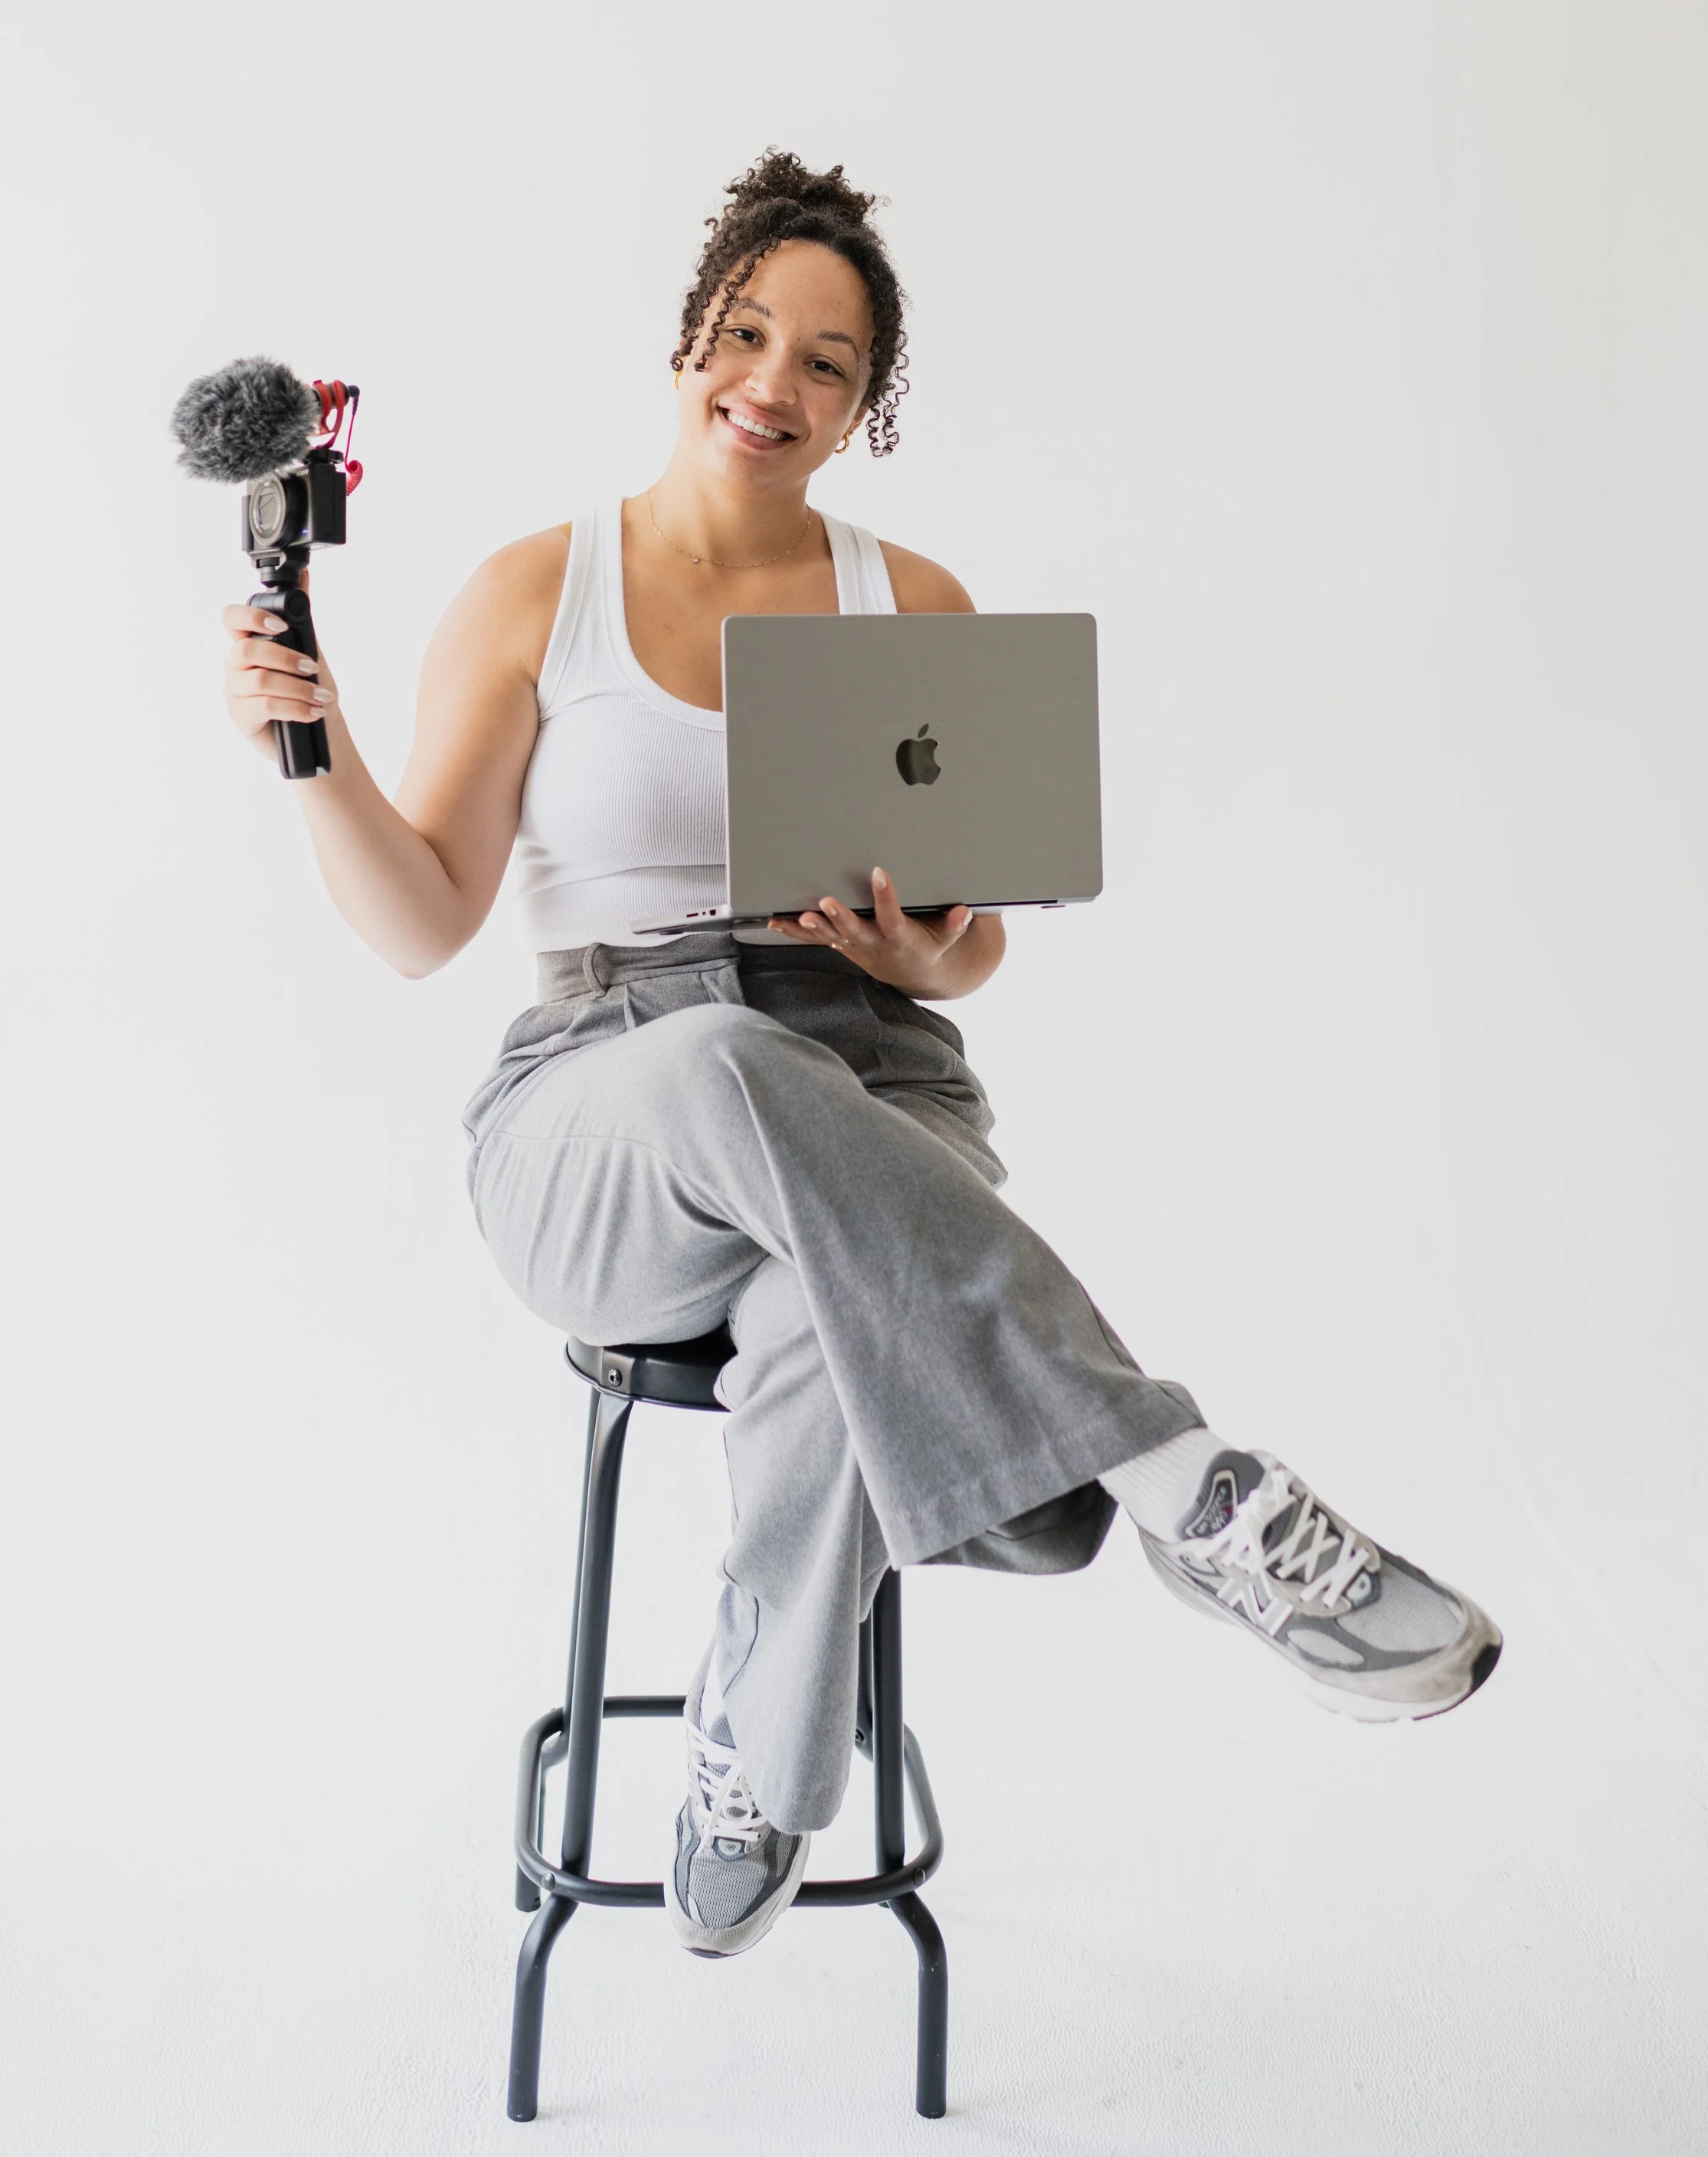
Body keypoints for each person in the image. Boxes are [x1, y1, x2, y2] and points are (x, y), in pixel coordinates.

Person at [217, 150, 1500, 1963]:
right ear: (685, 343)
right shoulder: (536, 593)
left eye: (825, 361)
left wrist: (927, 947)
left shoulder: (917, 604)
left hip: (869, 1087)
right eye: (743, 333)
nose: (771, 381)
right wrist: (316, 739)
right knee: (724, 1060)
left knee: (830, 1308)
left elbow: (968, 941)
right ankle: (1173, 1480)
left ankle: (755, 1748)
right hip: (609, 1104)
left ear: (861, 406)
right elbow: (423, 917)